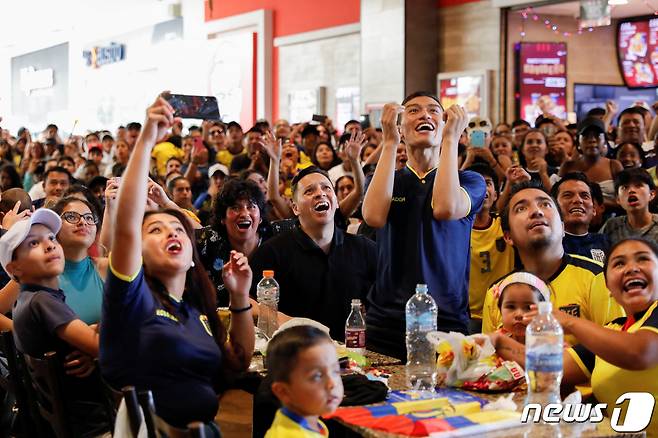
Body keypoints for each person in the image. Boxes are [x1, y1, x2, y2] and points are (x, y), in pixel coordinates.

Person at [100, 95, 254, 431]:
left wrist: (240, 296)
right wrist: (146, 139)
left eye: (178, 229)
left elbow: (239, 361)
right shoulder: (132, 298)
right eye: (155, 229)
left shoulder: (192, 308)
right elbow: (126, 226)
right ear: (137, 252)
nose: (172, 233)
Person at [490, 238, 658, 436]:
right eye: (619, 263)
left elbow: (639, 352)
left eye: (643, 259)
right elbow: (552, 366)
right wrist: (496, 342)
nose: (631, 268)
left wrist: (569, 322)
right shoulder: (612, 330)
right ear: (608, 287)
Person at [362, 92, 486, 359]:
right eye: (414, 111)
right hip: (385, 322)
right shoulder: (385, 178)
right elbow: (372, 216)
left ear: (444, 124)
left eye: (433, 111)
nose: (425, 115)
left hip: (446, 322)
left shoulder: (470, 180)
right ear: (400, 127)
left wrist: (451, 138)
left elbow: (445, 207)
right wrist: (389, 142)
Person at [1, 209, 110, 436]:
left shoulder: (28, 299)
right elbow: (102, 346)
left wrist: (94, 336)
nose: (50, 245)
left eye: (51, 238)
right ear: (14, 269)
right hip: (94, 424)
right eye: (33, 244)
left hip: (72, 419)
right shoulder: (42, 302)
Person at [482, 181, 624, 345]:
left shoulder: (597, 276)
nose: (536, 211)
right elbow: (489, 360)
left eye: (545, 204)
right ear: (508, 236)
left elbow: (616, 349)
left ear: (563, 227)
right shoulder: (496, 291)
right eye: (521, 208)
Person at [250, 167, 376, 341]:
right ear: (295, 208)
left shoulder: (365, 248)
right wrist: (293, 323)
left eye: (326, 188)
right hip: (295, 352)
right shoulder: (273, 251)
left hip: (353, 354)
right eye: (309, 191)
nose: (320, 194)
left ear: (337, 201)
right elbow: (247, 303)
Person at [197, 178, 272, 305]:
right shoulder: (208, 241)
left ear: (260, 218)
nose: (244, 213)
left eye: (251, 206)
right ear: (222, 218)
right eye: (235, 207)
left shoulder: (277, 235)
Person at [265, 325, 344, 438]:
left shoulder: (307, 421)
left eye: (335, 371)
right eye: (316, 376)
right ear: (283, 392)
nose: (332, 384)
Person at [467, 163, 514, 334]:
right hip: (467, 315)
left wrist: (524, 183)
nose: (482, 188)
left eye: (487, 183)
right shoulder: (456, 229)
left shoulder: (507, 225)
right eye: (475, 183)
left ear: (496, 194)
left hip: (503, 313)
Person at [52, 197, 107, 324]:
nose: (83, 222)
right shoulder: (37, 271)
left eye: (89, 218)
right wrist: (26, 335)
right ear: (55, 226)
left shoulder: (106, 268)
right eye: (71, 217)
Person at [560, 117, 623, 207]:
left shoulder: (614, 165)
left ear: (605, 141)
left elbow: (624, 199)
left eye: (597, 136)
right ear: (578, 142)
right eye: (586, 136)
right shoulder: (567, 166)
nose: (592, 140)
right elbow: (557, 198)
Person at [552, 172, 610, 263]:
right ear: (554, 207)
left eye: (584, 196)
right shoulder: (547, 245)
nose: (578, 200)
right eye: (568, 195)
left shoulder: (607, 243)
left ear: (594, 209)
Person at [601, 168, 658, 244]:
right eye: (625, 187)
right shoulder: (611, 226)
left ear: (651, 194)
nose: (631, 190)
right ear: (618, 199)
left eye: (638, 185)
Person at [491, 271, 549, 344]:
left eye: (528, 307)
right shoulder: (493, 342)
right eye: (511, 306)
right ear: (500, 309)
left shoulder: (551, 345)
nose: (519, 314)